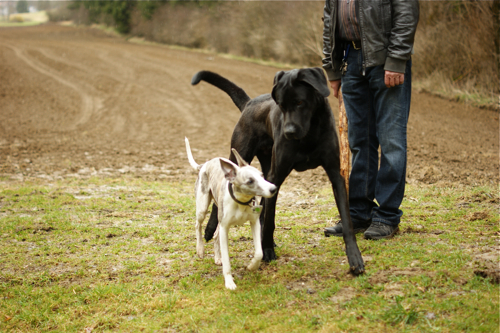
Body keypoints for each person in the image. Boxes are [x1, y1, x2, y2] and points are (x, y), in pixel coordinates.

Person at [322, 0, 419, 239]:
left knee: (391, 141)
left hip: (386, 58)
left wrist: (397, 59)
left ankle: (386, 216)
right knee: (359, 141)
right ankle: (358, 214)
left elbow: (406, 13)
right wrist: (332, 68)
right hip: (350, 61)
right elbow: (328, 22)